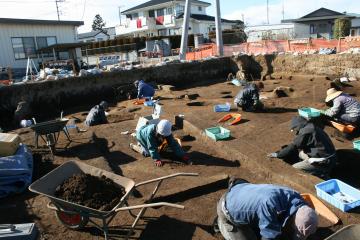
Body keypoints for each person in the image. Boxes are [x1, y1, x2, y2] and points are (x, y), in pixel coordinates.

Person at [215, 179, 318, 240]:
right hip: (228, 206)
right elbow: (268, 237)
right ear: (293, 220)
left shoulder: (298, 200)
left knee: (272, 228)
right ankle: (221, 223)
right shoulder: (270, 207)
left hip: (243, 190)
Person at [268, 116, 336, 178]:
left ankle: (321, 173)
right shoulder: (312, 127)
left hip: (324, 162)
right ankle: (309, 164)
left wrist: (278, 154)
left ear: (298, 126)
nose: (296, 131)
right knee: (301, 153)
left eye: (295, 129)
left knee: (295, 167)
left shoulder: (306, 132)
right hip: (326, 154)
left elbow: (293, 146)